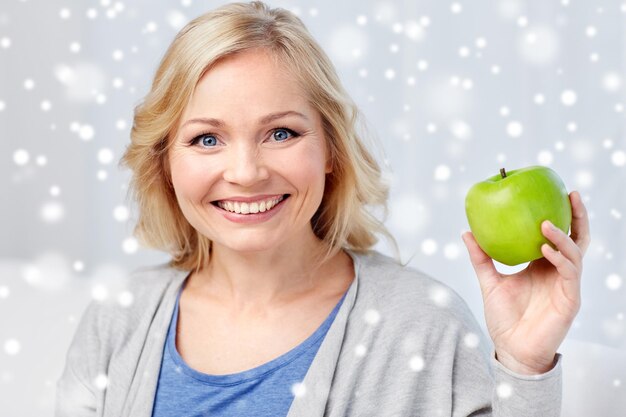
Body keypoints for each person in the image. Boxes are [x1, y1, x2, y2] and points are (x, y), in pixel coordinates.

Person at [55, 2, 590, 416]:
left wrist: (524, 366)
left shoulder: (422, 326)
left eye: (281, 132)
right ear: (165, 162)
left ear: (331, 149)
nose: (246, 171)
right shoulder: (118, 318)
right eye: (206, 139)